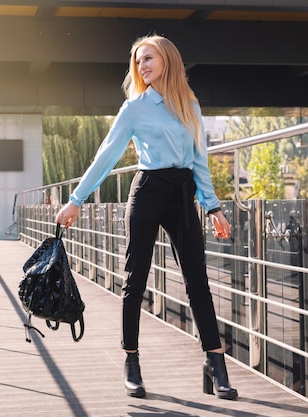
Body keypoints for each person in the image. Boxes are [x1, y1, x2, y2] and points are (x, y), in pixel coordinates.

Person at [55, 34, 238, 401]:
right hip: (147, 192)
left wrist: (213, 206)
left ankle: (216, 364)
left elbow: (199, 160)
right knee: (134, 280)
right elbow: (106, 156)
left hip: (182, 195)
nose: (143, 66)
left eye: (149, 58)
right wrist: (76, 200)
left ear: (168, 60)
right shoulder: (134, 108)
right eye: (138, 61)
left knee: (197, 282)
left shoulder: (189, 104)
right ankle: (132, 362)